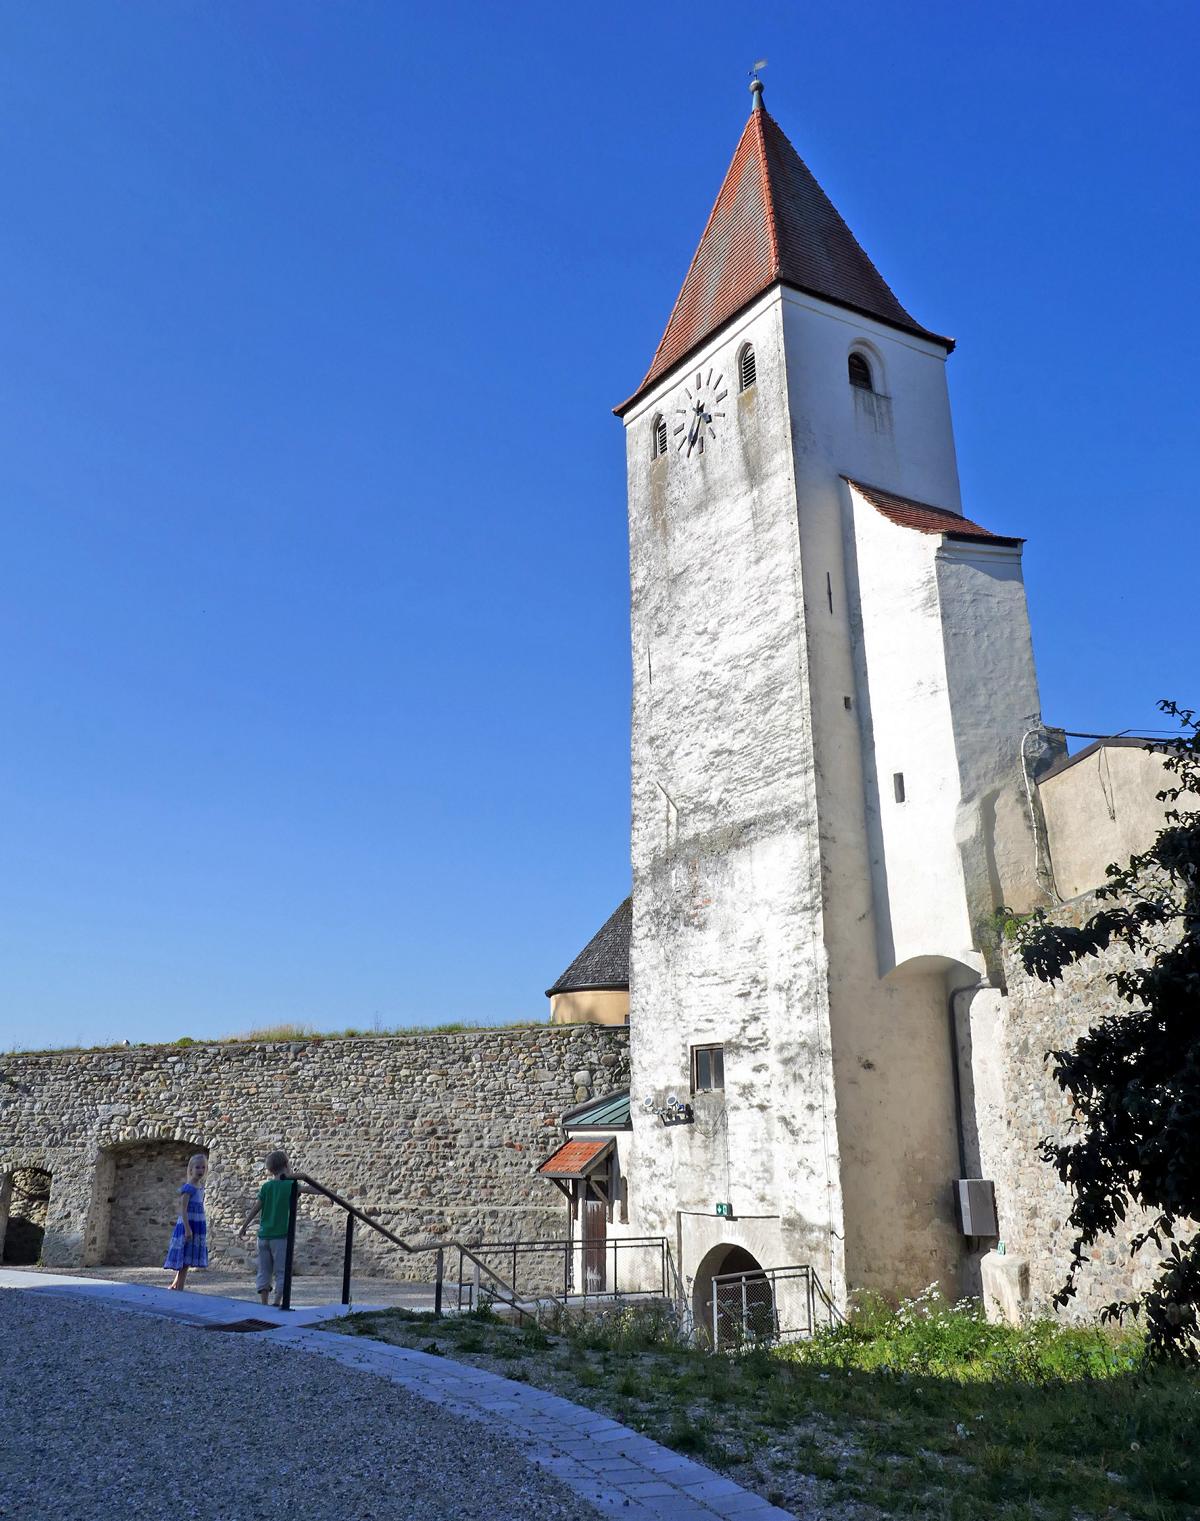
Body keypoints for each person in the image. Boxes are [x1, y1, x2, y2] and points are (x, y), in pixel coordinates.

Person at [238, 1150, 310, 1306]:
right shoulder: (291, 1184)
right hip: (281, 1236)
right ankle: (277, 1301)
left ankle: (264, 1302)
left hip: (263, 1236)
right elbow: (309, 1189)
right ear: (286, 1165)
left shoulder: (267, 1187)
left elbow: (256, 1208)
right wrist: (326, 1193)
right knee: (281, 1270)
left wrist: (244, 1225)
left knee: (264, 1270)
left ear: (270, 1170)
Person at [164, 1153, 209, 1291]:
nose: (200, 1170)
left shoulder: (200, 1187)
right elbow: (183, 1209)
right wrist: (187, 1228)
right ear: (191, 1169)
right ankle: (180, 1288)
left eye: (203, 1167)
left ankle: (176, 1283)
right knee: (184, 1259)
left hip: (197, 1223)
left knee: (187, 1257)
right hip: (188, 1224)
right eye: (197, 1167)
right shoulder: (189, 1188)